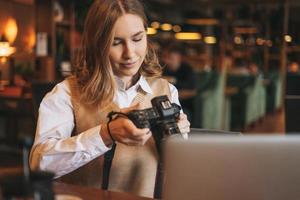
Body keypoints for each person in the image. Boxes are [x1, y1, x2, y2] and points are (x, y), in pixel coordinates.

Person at [29, 0, 190, 198]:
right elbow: (40, 164)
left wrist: (179, 143)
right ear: (97, 44)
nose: (130, 53)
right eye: (116, 42)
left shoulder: (167, 91)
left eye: (137, 39)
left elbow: (177, 170)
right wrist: (105, 134)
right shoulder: (66, 93)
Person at [162, 44, 196, 122]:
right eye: (166, 58)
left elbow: (192, 91)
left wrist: (174, 94)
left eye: (170, 58)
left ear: (178, 58)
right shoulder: (164, 69)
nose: (167, 61)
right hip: (165, 105)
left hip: (185, 105)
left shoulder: (187, 70)